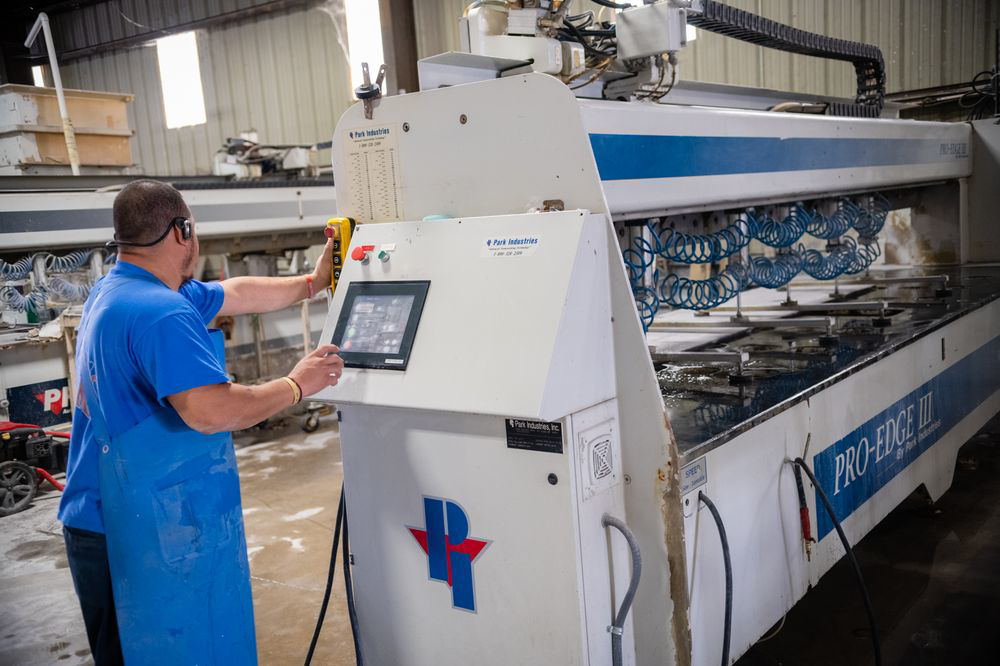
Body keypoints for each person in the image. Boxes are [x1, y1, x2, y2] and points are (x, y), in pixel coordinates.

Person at [58, 179, 344, 665]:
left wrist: (311, 283)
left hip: (93, 517)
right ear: (181, 230)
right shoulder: (160, 313)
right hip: (132, 529)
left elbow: (233, 293)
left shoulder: (119, 290)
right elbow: (211, 411)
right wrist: (298, 384)